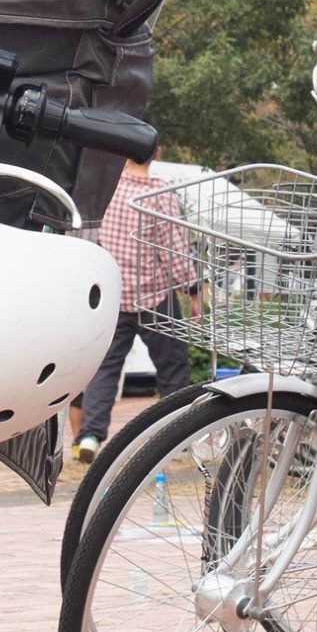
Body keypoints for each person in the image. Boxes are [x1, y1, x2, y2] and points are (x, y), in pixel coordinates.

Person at [70, 151, 196, 463]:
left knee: (106, 367)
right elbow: (174, 249)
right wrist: (192, 288)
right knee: (173, 367)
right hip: (155, 297)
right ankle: (174, 434)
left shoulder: (109, 188)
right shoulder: (160, 194)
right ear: (158, 153)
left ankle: (90, 435)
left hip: (114, 293)